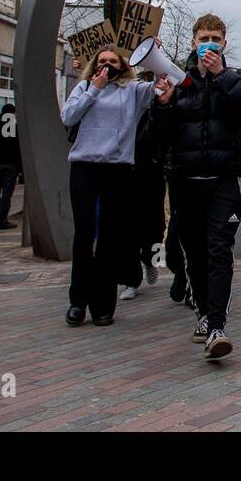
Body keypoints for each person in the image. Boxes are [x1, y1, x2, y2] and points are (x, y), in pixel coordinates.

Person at [153, 15, 241, 360]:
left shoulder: (236, 78)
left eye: (215, 38)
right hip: (185, 181)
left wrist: (219, 76)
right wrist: (164, 105)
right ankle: (203, 312)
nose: (209, 44)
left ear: (224, 44)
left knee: (219, 250)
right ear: (192, 42)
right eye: (204, 38)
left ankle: (217, 325)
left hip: (223, 181)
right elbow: (160, 136)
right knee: (195, 255)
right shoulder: (177, 82)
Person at [61, 48, 171, 327]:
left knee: (110, 237)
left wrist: (152, 54)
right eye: (102, 62)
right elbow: (69, 117)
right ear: (94, 66)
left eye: (113, 61)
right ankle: (78, 301)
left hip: (117, 169)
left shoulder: (132, 90)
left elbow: (161, 81)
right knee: (84, 235)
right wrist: (93, 90)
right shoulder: (85, 87)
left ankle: (103, 304)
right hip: (85, 167)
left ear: (122, 66)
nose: (107, 66)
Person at [121, 95, 166, 302]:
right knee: (127, 230)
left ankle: (152, 260)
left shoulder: (156, 115)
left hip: (152, 175)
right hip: (126, 175)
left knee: (155, 225)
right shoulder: (124, 114)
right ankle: (130, 280)